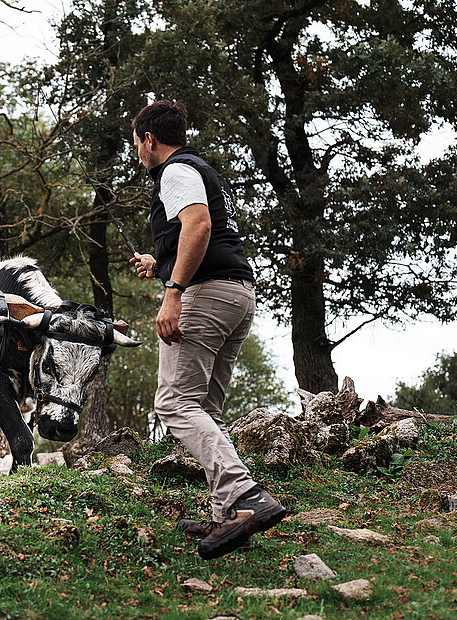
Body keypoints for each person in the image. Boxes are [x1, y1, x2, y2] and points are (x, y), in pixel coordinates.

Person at [128, 100, 285, 559]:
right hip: (237, 293)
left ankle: (245, 497)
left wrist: (173, 290)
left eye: (136, 144)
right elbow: (201, 235)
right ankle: (225, 515)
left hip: (205, 294)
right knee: (205, 407)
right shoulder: (199, 170)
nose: (137, 153)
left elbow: (199, 226)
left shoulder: (173, 172)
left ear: (148, 139)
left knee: (174, 402)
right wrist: (160, 262)